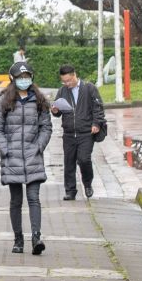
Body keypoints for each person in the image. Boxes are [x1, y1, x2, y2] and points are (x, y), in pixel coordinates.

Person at [0, 60, 53, 254]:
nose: (24, 80)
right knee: (16, 200)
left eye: (27, 77)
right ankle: (18, 239)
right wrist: (5, 149)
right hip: (12, 158)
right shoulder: (3, 101)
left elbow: (46, 127)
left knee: (34, 197)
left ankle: (36, 237)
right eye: (20, 77)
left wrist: (40, 146)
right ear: (12, 79)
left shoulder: (40, 101)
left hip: (34, 156)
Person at [51, 64, 105, 200]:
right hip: (68, 133)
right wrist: (55, 110)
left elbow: (98, 107)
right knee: (69, 162)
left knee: (84, 159)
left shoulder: (89, 88)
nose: (67, 83)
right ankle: (70, 191)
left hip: (86, 132)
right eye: (64, 81)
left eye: (69, 80)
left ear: (75, 75)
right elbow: (57, 112)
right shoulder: (62, 91)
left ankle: (87, 184)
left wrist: (96, 123)